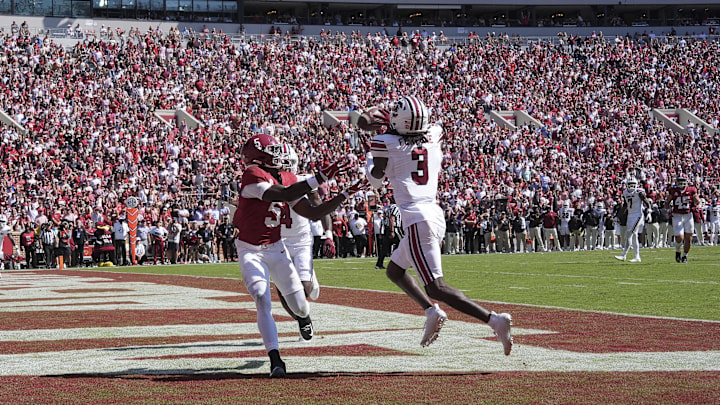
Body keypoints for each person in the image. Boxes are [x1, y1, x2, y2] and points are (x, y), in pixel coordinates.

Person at [360, 96, 512, 355]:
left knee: (435, 286)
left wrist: (369, 155)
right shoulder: (434, 133)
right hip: (432, 212)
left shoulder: (384, 142)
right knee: (395, 271)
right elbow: (412, 132)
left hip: (417, 217)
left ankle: (493, 320)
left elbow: (375, 180)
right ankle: (431, 311)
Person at [233, 133, 353, 377]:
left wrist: (345, 195)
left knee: (300, 305)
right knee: (260, 296)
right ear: (260, 157)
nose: (279, 155)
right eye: (273, 151)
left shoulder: (287, 176)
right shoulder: (252, 175)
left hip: (276, 247)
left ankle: (304, 317)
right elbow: (285, 195)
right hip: (250, 248)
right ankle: (275, 359)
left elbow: (312, 213)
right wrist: (320, 177)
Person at [275, 144, 364, 340]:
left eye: (286, 164)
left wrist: (329, 235)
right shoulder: (268, 182)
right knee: (283, 290)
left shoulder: (304, 182)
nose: (283, 168)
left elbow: (320, 208)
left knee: (304, 288)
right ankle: (302, 321)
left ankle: (309, 282)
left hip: (301, 240)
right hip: (278, 241)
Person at [664, 175, 702, 263]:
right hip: (677, 215)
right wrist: (668, 209)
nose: (680, 182)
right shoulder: (673, 191)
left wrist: (699, 206)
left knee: (688, 238)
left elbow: (698, 201)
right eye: (679, 180)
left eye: (682, 180)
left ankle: (685, 256)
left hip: (688, 216)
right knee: (679, 237)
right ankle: (678, 251)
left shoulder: (691, 190)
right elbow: (667, 203)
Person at [615, 177, 651, 263]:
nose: (631, 186)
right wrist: (618, 216)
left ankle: (624, 254)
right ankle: (637, 256)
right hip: (630, 216)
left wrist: (649, 211)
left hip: (638, 215)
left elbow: (647, 202)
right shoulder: (625, 193)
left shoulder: (639, 192)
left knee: (630, 234)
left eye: (633, 185)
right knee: (633, 236)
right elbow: (625, 206)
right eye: (630, 185)